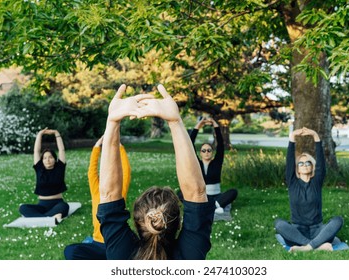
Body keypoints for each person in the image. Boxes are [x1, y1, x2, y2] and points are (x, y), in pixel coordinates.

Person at [96, 84, 214, 260]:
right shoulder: (190, 255)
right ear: (178, 221)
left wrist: (112, 122)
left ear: (138, 222)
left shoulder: (121, 254)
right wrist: (175, 122)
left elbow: (108, 193)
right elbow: (196, 192)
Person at [274, 127, 344, 252]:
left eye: (308, 163)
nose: (304, 165)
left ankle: (307, 248)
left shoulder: (316, 182)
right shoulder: (292, 182)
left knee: (338, 220)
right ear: (297, 168)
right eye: (301, 163)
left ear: (312, 167)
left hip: (317, 229)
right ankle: (315, 246)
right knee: (279, 224)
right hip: (297, 231)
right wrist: (292, 138)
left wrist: (316, 137)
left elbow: (321, 164)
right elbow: (290, 161)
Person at [64, 136, 131, 260]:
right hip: (97, 243)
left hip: (116, 243)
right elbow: (92, 171)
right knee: (70, 251)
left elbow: (126, 170)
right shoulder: (96, 190)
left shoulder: (120, 190)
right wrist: (97, 146)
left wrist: (119, 145)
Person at [185, 117, 238, 215]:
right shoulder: (197, 163)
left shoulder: (217, 162)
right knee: (181, 192)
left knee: (233, 192)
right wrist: (198, 125)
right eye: (203, 150)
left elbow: (221, 145)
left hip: (216, 197)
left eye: (209, 150)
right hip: (201, 196)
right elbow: (190, 144)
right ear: (200, 153)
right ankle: (213, 206)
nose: (206, 152)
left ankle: (213, 206)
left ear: (212, 153)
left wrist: (215, 124)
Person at [19, 128, 69, 223]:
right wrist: (39, 134)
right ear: (42, 161)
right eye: (45, 158)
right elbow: (36, 151)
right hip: (42, 205)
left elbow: (61, 150)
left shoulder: (59, 168)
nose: (48, 160)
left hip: (57, 203)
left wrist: (57, 133)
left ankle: (41, 218)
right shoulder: (39, 169)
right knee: (23, 208)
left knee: (65, 206)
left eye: (50, 157)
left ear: (55, 159)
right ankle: (49, 217)